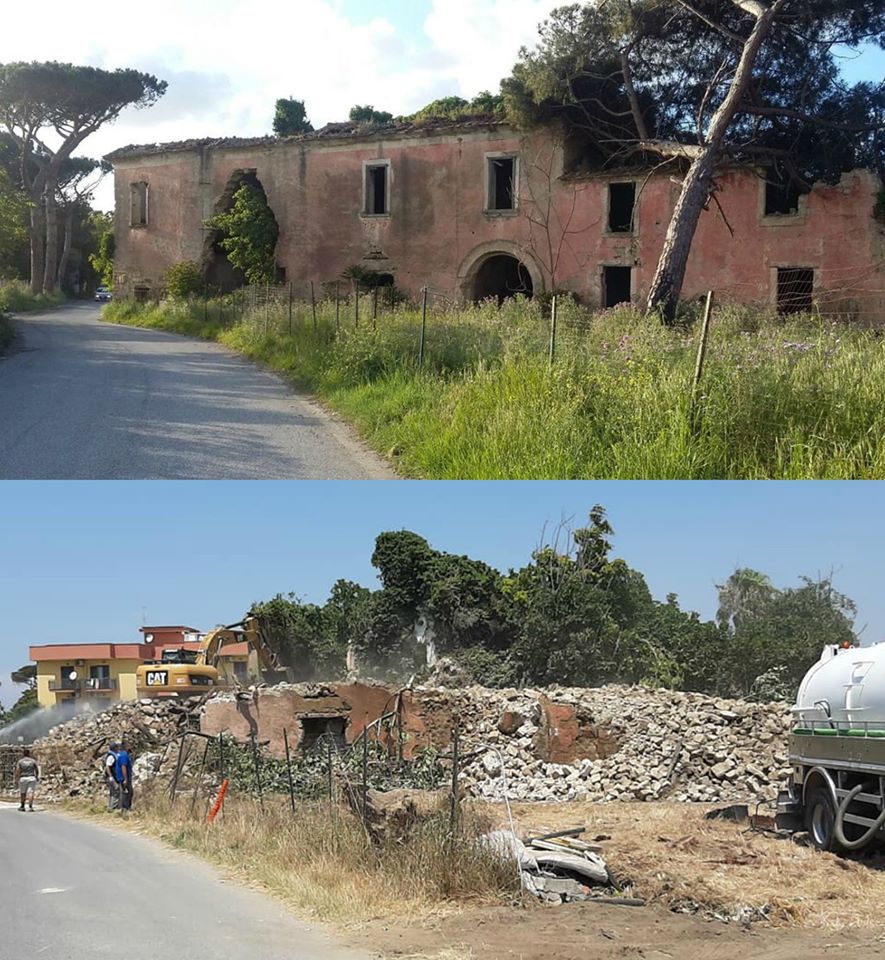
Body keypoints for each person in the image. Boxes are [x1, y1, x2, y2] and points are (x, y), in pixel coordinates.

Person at [117, 739, 134, 811]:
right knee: (129, 792)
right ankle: (125, 807)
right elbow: (123, 767)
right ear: (125, 746)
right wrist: (125, 779)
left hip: (121, 777)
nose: (130, 746)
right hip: (124, 777)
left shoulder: (121, 754)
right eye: (128, 745)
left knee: (125, 792)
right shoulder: (124, 755)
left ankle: (124, 807)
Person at [105, 741, 121, 811]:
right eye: (117, 747)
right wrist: (111, 777)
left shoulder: (114, 755)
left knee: (113, 792)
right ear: (114, 748)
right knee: (116, 792)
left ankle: (110, 807)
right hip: (113, 777)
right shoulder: (111, 756)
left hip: (114, 777)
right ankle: (113, 808)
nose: (118, 748)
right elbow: (108, 767)